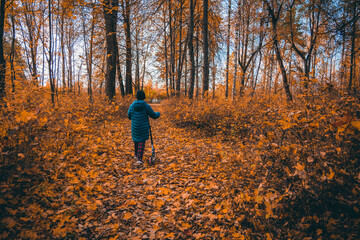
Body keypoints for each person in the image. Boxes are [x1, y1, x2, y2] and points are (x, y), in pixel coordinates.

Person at [127, 90, 160, 165]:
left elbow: (129, 116)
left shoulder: (132, 106)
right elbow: (154, 115)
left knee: (136, 140)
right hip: (143, 127)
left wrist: (134, 118)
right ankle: (139, 159)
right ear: (144, 97)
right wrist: (158, 113)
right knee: (141, 141)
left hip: (135, 126)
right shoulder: (146, 106)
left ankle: (136, 155)